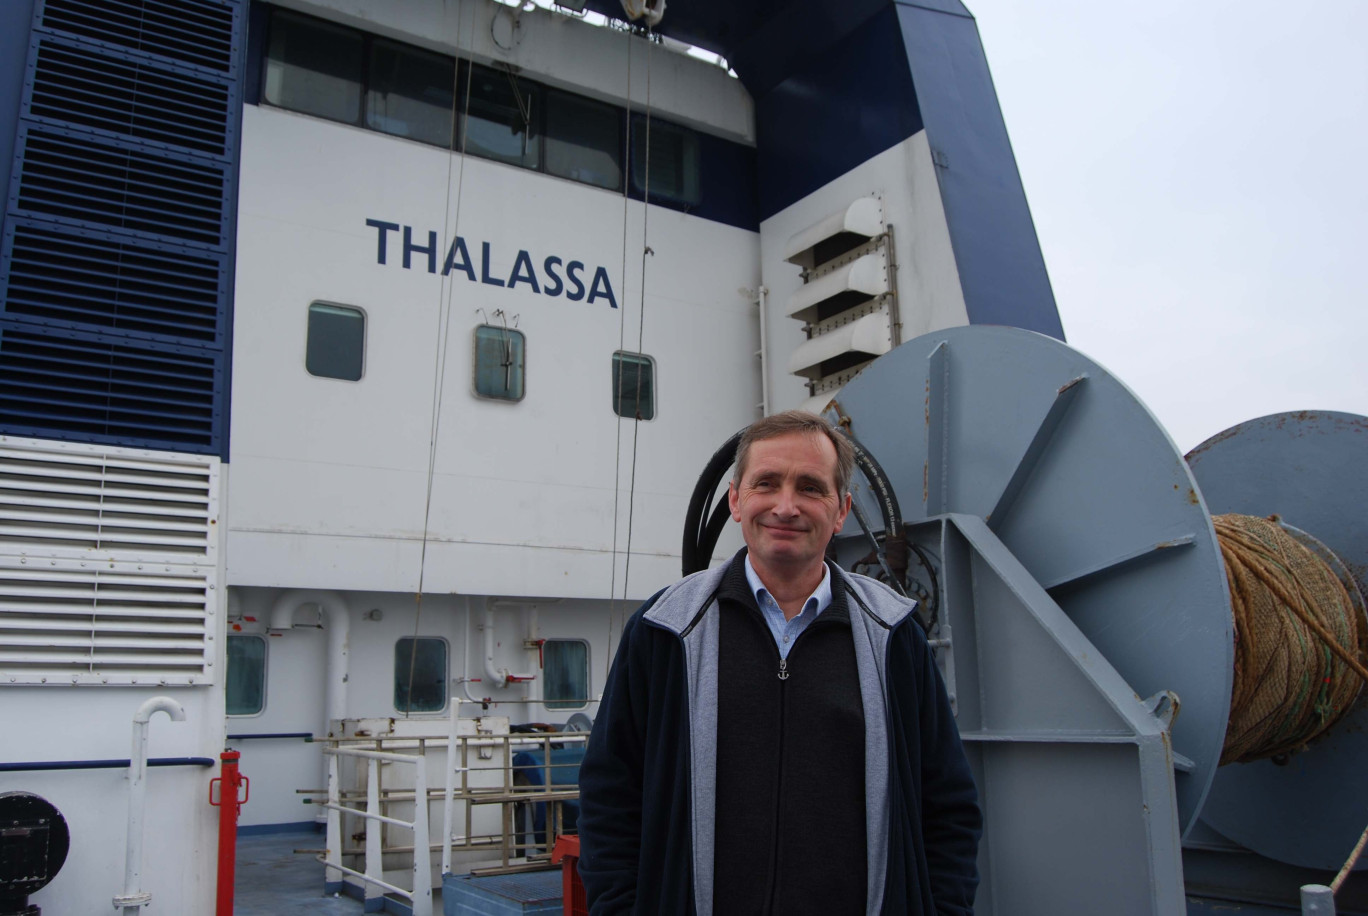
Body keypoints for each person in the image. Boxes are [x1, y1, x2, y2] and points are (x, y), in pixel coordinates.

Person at [577, 410, 981, 915]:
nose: (785, 506)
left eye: (810, 487)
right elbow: (610, 795)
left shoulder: (893, 635)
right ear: (736, 499)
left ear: (841, 511)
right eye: (766, 483)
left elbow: (948, 807)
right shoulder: (664, 630)